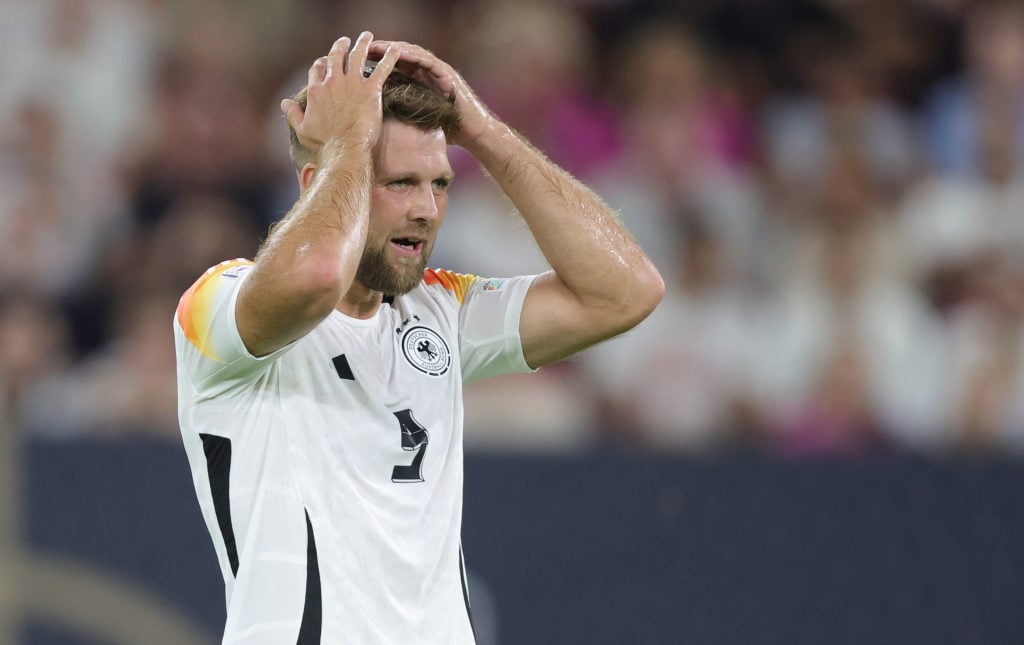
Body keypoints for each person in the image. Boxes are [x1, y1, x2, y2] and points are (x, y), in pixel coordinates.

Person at [173, 32, 663, 644]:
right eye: (400, 182)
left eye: (440, 184)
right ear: (313, 181)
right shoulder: (221, 306)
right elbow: (319, 275)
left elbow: (624, 292)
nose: (427, 209)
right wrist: (349, 140)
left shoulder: (438, 310)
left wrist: (483, 132)